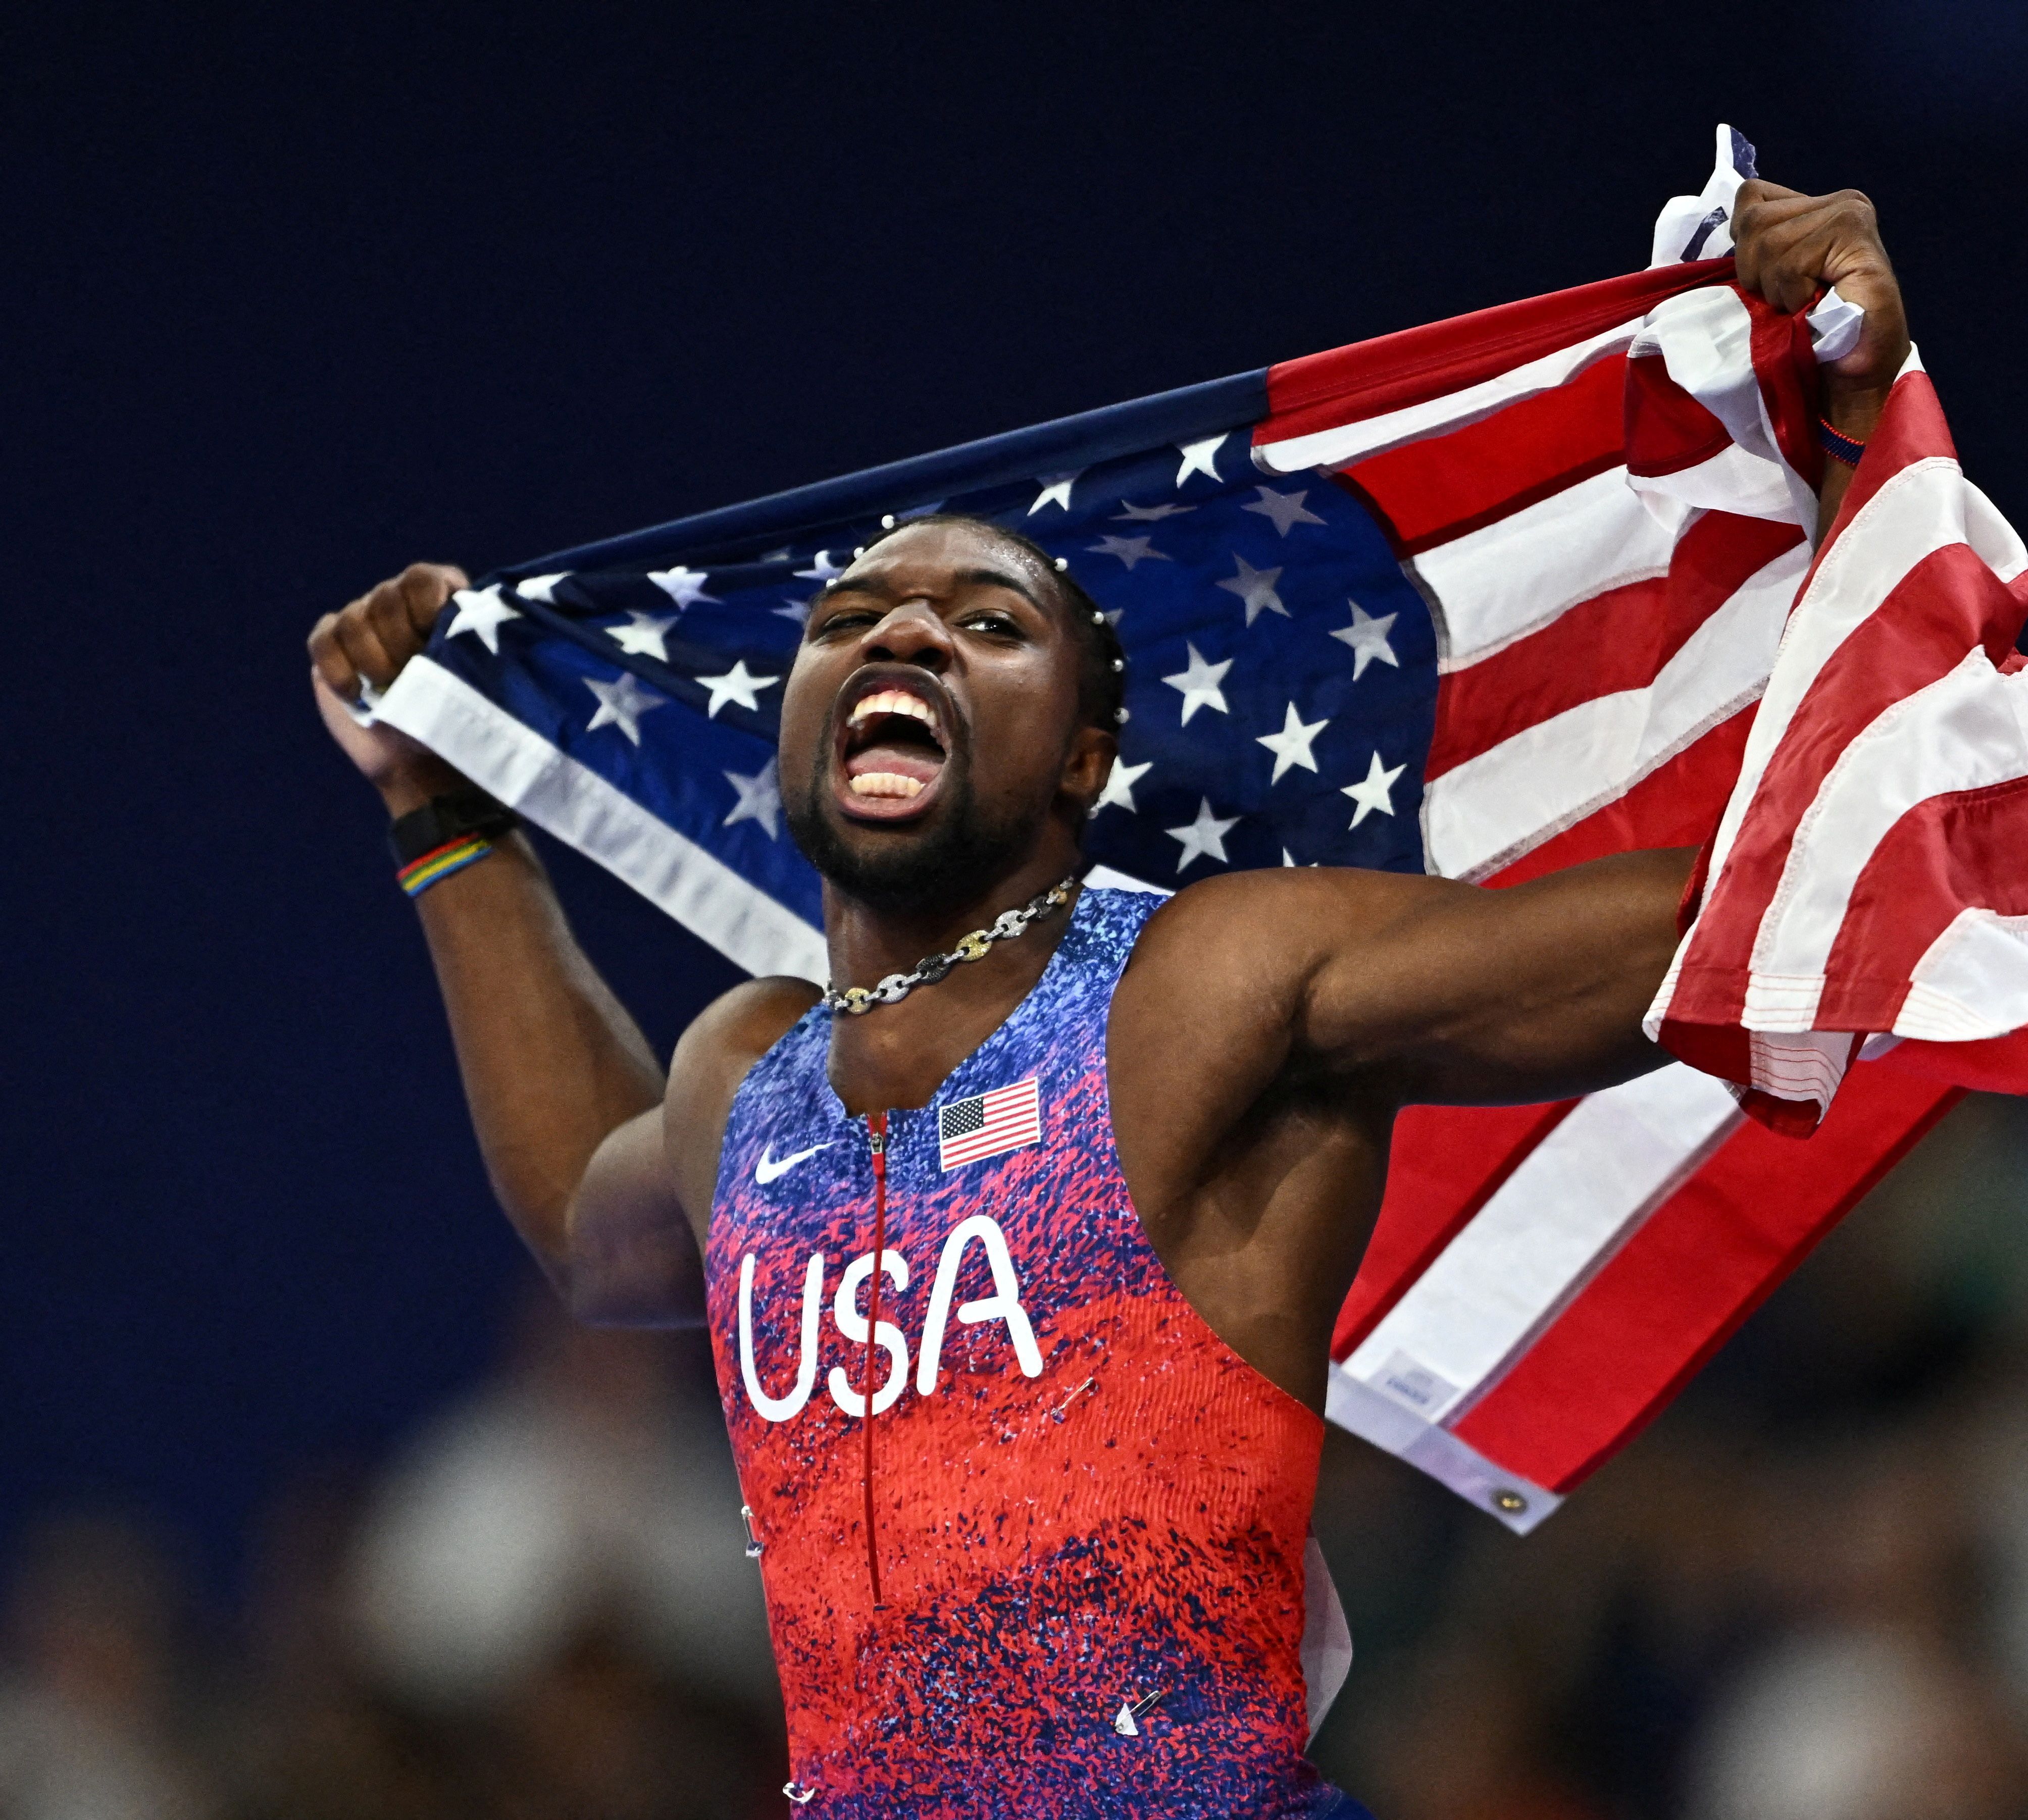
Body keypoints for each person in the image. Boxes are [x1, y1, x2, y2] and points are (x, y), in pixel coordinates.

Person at [306, 179, 1907, 1820]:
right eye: (848, 621)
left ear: (1082, 759)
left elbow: (1713, 923)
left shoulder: (1199, 984)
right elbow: (592, 1219)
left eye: (983, 624)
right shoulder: (750, 1068)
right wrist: (446, 816)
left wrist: (1846, 470)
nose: (904, 633)